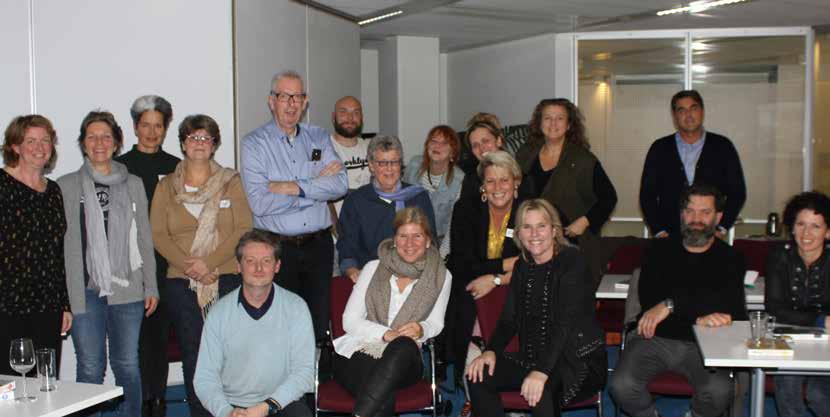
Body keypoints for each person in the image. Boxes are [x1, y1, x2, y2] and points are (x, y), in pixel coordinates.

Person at [610, 184, 747, 417]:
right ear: (682, 214)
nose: (696, 219)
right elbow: (650, 300)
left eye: (705, 212)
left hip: (706, 343)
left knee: (719, 391)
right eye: (690, 211)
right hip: (656, 338)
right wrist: (699, 311)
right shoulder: (657, 250)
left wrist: (670, 305)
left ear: (718, 217)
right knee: (621, 386)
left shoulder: (731, 257)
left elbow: (729, 306)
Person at [150, 114, 253, 417]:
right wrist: (189, 266)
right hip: (181, 281)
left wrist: (208, 263)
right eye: (193, 137)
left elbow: (243, 228)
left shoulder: (231, 181)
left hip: (226, 275)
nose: (199, 143)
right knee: (195, 352)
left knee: (230, 352)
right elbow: (158, 233)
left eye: (205, 137)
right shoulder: (166, 186)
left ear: (214, 144)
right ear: (182, 143)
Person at [466, 198, 607, 417]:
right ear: (519, 234)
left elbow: (565, 324)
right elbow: (509, 319)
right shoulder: (523, 266)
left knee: (542, 390)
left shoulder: (573, 261)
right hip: (534, 357)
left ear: (553, 230)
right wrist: (490, 351)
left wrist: (541, 372)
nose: (534, 234)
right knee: (478, 374)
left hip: (578, 361)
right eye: (527, 227)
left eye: (541, 226)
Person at [58, 110, 158, 417]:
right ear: (83, 144)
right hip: (84, 291)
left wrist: (151, 285)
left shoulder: (134, 184)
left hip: (127, 288)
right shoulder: (66, 185)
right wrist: (63, 299)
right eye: (92, 136)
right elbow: (63, 247)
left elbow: (144, 237)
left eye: (105, 136)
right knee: (90, 367)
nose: (99, 142)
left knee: (127, 365)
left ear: (116, 142)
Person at [240, 70, 348, 341]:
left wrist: (293, 186)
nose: (291, 103)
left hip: (319, 245)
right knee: (280, 325)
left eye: (297, 97)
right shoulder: (254, 144)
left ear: (305, 101)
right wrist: (314, 184)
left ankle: (317, 383)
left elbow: (339, 185)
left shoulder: (319, 137)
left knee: (319, 323)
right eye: (284, 96)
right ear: (271, 101)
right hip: (277, 249)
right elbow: (260, 203)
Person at [333, 207, 452, 417]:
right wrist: (385, 334)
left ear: (427, 241)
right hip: (359, 350)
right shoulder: (372, 268)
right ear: (394, 240)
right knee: (381, 391)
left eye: (417, 236)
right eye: (403, 236)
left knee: (403, 345)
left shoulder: (441, 276)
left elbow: (436, 323)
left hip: (406, 359)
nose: (409, 243)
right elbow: (349, 321)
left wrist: (421, 328)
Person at [194, 229, 314, 417]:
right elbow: (204, 378)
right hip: (232, 407)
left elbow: (304, 373)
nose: (258, 268)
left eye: (266, 261)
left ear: (277, 266)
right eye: (250, 261)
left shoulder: (296, 308)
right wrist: (227, 412)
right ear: (238, 266)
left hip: (279, 404)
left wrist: (267, 407)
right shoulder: (219, 313)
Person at [114, 94, 179, 417]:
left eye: (158, 126)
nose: (152, 132)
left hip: (169, 268)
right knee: (136, 345)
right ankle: (140, 403)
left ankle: (158, 402)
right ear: (135, 127)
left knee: (160, 344)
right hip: (134, 270)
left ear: (166, 128)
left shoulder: (176, 168)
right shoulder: (121, 167)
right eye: (145, 125)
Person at [515, 98, 617, 287]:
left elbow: (609, 198)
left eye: (560, 118)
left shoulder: (584, 159)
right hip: (533, 245)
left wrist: (585, 221)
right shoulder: (524, 155)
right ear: (539, 123)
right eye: (547, 118)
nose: (553, 123)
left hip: (573, 247)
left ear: (569, 124)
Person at [0, 115, 72, 376]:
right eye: (30, 140)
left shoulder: (53, 191)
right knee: (9, 385)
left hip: (47, 304)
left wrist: (64, 304)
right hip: (7, 304)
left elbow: (57, 253)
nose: (39, 147)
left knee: (45, 382)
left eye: (45, 140)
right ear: (15, 146)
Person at [446, 151, 522, 369]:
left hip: (513, 286)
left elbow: (537, 262)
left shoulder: (528, 210)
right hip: (471, 288)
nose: (497, 187)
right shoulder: (465, 210)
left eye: (504, 180)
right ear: (482, 186)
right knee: (471, 298)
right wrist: (506, 264)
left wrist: (496, 279)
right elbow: (462, 264)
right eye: (490, 181)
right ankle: (473, 375)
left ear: (516, 182)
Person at [639, 89, 746, 239]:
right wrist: (658, 231)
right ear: (675, 116)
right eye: (681, 110)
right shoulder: (660, 148)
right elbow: (647, 195)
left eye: (693, 108)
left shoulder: (722, 146)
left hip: (709, 237)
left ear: (702, 111)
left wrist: (722, 228)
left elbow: (738, 192)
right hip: (669, 237)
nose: (688, 115)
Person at [337, 135, 437, 283]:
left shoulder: (419, 197)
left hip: (415, 276)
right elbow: (347, 250)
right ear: (371, 165)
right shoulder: (355, 202)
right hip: (372, 277)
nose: (389, 169)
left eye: (394, 162)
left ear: (401, 164)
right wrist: (353, 272)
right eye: (382, 163)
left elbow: (431, 242)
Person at [765, 191, 830, 417]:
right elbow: (774, 308)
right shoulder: (779, 257)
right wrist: (820, 319)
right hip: (789, 339)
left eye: (816, 226)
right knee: (787, 389)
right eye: (800, 224)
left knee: (819, 395)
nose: (806, 233)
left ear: (828, 231)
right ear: (792, 228)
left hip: (828, 343)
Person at [403, 125, 465, 244]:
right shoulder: (414, 164)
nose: (437, 146)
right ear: (427, 146)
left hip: (438, 241)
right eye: (434, 141)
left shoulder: (459, 180)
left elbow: (454, 225)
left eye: (444, 143)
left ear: (453, 151)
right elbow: (400, 199)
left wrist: (442, 254)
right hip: (408, 236)